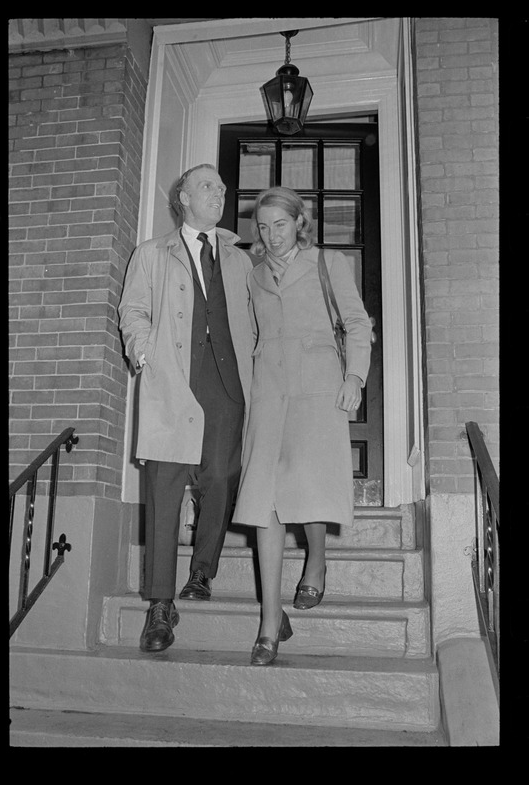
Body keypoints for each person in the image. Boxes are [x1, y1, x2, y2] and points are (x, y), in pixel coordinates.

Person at [231, 186, 372, 666]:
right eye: (264, 227)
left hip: (318, 388)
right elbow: (247, 336)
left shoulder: (329, 264)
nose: (272, 235)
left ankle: (317, 558)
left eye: (281, 225)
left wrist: (355, 375)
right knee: (263, 501)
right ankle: (270, 623)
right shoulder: (253, 276)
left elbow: (357, 323)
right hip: (267, 393)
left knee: (308, 489)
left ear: (300, 224)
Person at [118, 164, 254, 652]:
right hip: (172, 382)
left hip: (227, 386)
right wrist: (143, 350)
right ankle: (159, 604)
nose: (219, 193)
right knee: (165, 486)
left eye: (221, 187)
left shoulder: (239, 258)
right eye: (207, 187)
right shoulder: (152, 253)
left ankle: (202, 571)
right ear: (183, 197)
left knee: (219, 478)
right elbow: (132, 309)